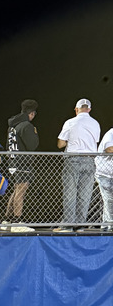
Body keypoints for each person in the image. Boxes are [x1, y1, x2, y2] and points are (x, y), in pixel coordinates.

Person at [56, 98, 101, 230]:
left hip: (73, 160)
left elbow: (60, 143)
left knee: (70, 193)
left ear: (76, 109)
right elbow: (95, 141)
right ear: (89, 109)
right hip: (89, 160)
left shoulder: (70, 122)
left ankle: (68, 224)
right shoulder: (95, 123)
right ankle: (80, 225)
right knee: (85, 194)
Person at [2, 99, 39, 229]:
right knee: (21, 191)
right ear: (32, 113)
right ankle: (17, 220)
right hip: (23, 162)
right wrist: (34, 133)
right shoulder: (26, 125)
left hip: (12, 161)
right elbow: (32, 145)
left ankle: (7, 219)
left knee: (16, 190)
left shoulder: (12, 126)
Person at [95, 124, 113, 231]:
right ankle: (109, 225)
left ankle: (106, 225)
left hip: (110, 173)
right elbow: (109, 149)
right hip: (104, 174)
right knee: (109, 200)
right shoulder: (111, 133)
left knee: (109, 200)